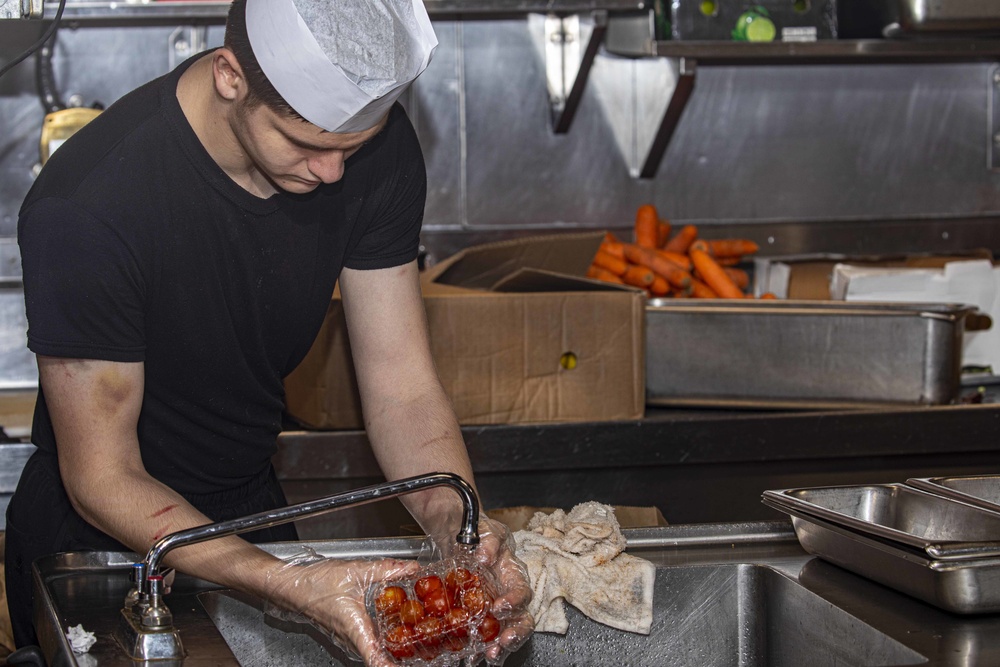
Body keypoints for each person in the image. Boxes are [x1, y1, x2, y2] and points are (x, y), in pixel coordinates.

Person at [6, 0, 531, 664]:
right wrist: (288, 583)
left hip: (251, 509)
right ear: (231, 76)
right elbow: (103, 474)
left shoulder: (376, 151)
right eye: (308, 144)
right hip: (98, 544)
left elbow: (402, 389)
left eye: (351, 147)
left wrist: (459, 534)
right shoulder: (90, 204)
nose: (333, 172)